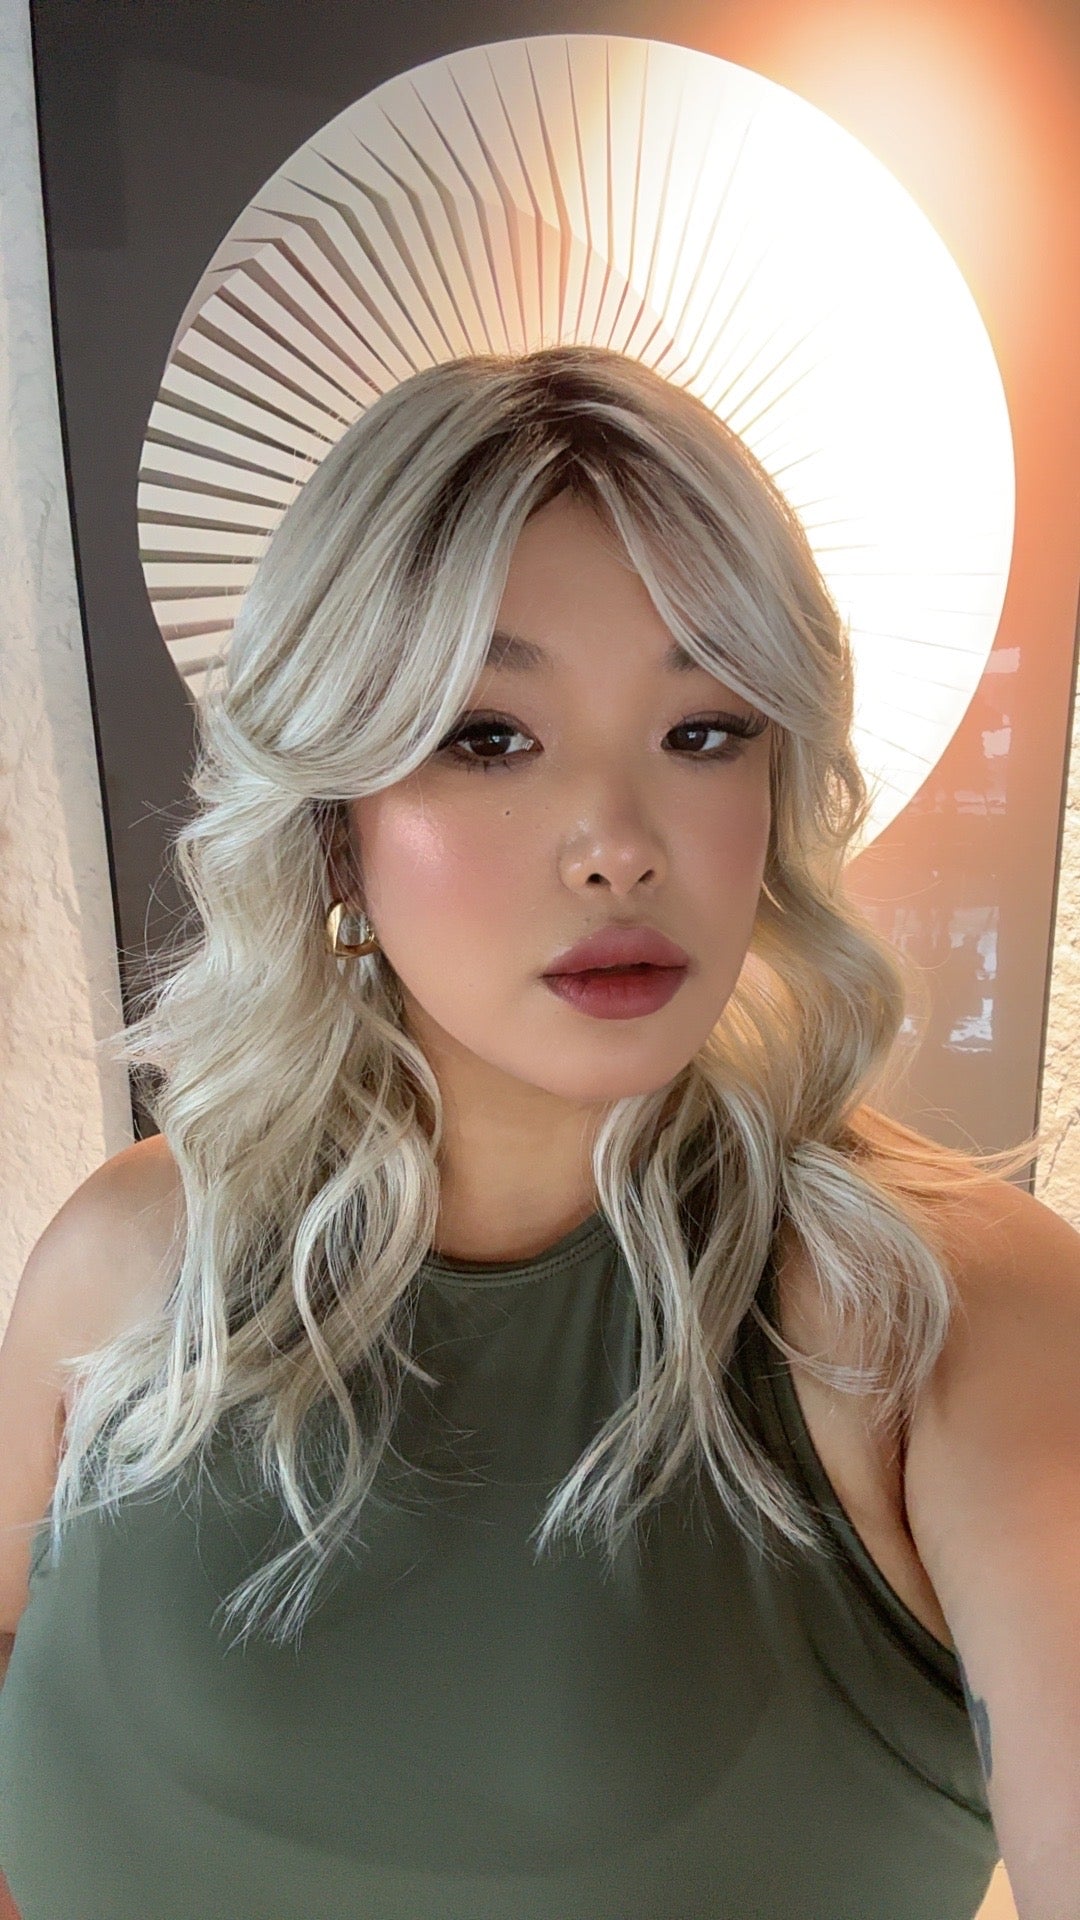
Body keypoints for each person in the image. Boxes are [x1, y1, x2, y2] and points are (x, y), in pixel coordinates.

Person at [0, 345, 1076, 1920]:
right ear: (335, 827)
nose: (619, 848)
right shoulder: (124, 1262)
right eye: (490, 737)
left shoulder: (943, 1321)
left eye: (704, 729)